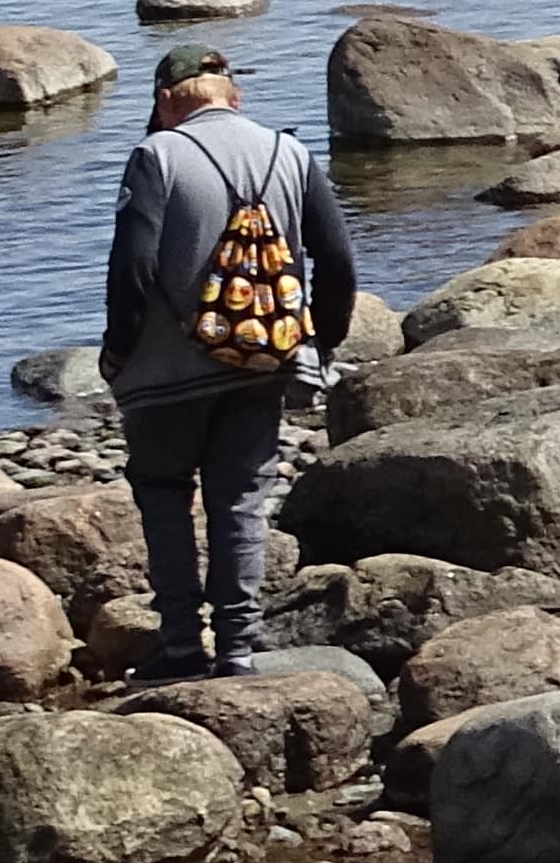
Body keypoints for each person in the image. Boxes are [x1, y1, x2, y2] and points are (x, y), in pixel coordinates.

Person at [95, 39, 361, 683]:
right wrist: (318, 342)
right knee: (241, 499)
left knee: (164, 496)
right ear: (234, 98)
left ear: (164, 102)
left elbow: (133, 268)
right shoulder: (290, 153)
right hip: (263, 362)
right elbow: (339, 260)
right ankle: (239, 646)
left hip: (166, 374)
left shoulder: (156, 155)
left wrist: (118, 352)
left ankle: (182, 645)